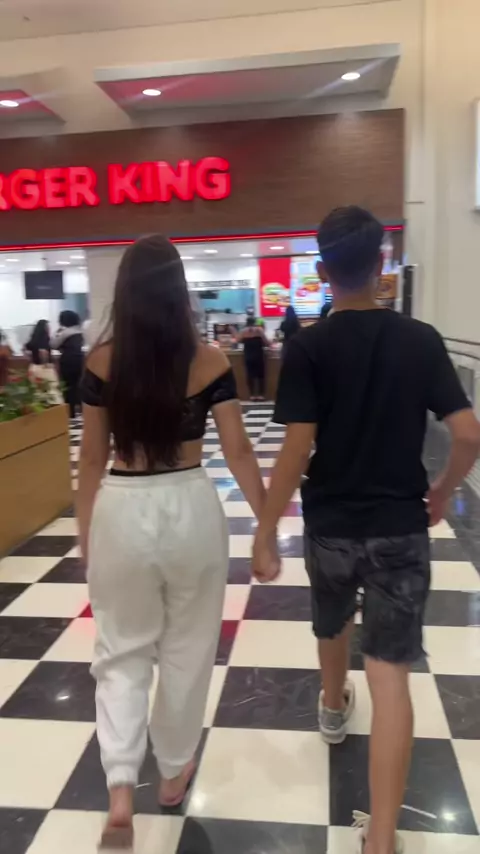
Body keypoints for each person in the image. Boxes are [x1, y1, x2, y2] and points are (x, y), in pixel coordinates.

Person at [252, 206, 480, 854]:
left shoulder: (309, 346)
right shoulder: (421, 339)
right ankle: (381, 837)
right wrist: (442, 489)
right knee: (390, 675)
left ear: (323, 272)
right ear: (381, 265)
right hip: (400, 528)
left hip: (330, 524)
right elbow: (468, 433)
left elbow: (297, 448)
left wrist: (265, 531)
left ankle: (331, 705)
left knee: (331, 621)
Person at [76, 234, 276, 849]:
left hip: (121, 507)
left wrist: (87, 536)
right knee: (188, 647)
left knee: (121, 649)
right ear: (178, 289)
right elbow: (239, 451)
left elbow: (91, 459)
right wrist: (266, 527)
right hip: (190, 506)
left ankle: (119, 785)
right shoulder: (209, 361)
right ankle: (171, 772)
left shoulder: (100, 362)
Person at [51, 310, 84, 419]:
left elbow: (53, 345)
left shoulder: (65, 333)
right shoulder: (80, 331)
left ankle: (70, 412)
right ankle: (81, 410)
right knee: (78, 385)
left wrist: (56, 333)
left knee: (68, 386)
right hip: (80, 360)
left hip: (67, 361)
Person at [238, 315, 269, 400]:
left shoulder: (243, 331)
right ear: (254, 322)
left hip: (248, 355)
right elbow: (266, 342)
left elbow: (237, 340)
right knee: (260, 376)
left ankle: (252, 395)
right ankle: (261, 395)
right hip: (258, 355)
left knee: (250, 375)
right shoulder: (259, 330)